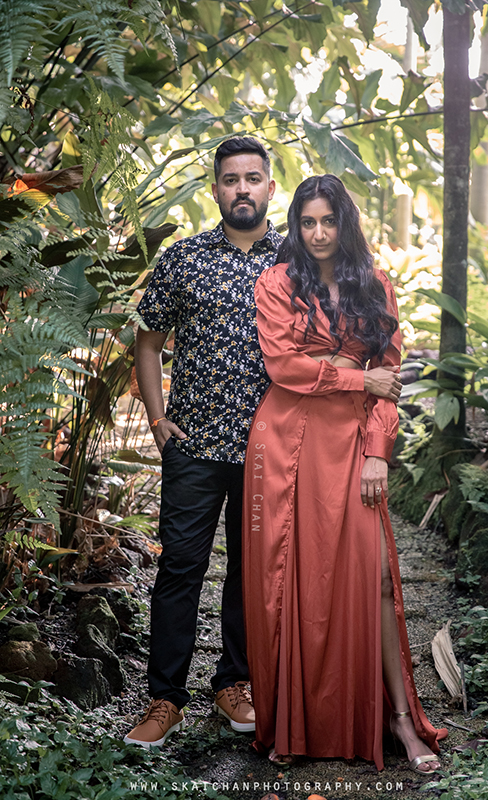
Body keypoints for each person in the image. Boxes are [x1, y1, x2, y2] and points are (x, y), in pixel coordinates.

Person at [242, 174, 447, 772]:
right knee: (292, 580)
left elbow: (392, 374)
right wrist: (355, 375)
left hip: (356, 440)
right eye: (308, 222)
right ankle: (292, 723)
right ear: (296, 226)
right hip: (289, 441)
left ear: (345, 223)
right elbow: (283, 366)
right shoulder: (277, 282)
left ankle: (399, 718)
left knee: (375, 577)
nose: (318, 233)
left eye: (328, 221)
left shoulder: (374, 285)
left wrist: (379, 449)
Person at [124, 136, 284, 748]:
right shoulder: (183, 258)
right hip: (192, 444)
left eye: (252, 178)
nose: (242, 188)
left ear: (269, 187)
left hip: (268, 449)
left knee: (251, 573)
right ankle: (165, 698)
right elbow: (147, 341)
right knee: (180, 568)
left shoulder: (295, 258)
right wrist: (157, 420)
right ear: (215, 189)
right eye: (231, 179)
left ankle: (234, 683)